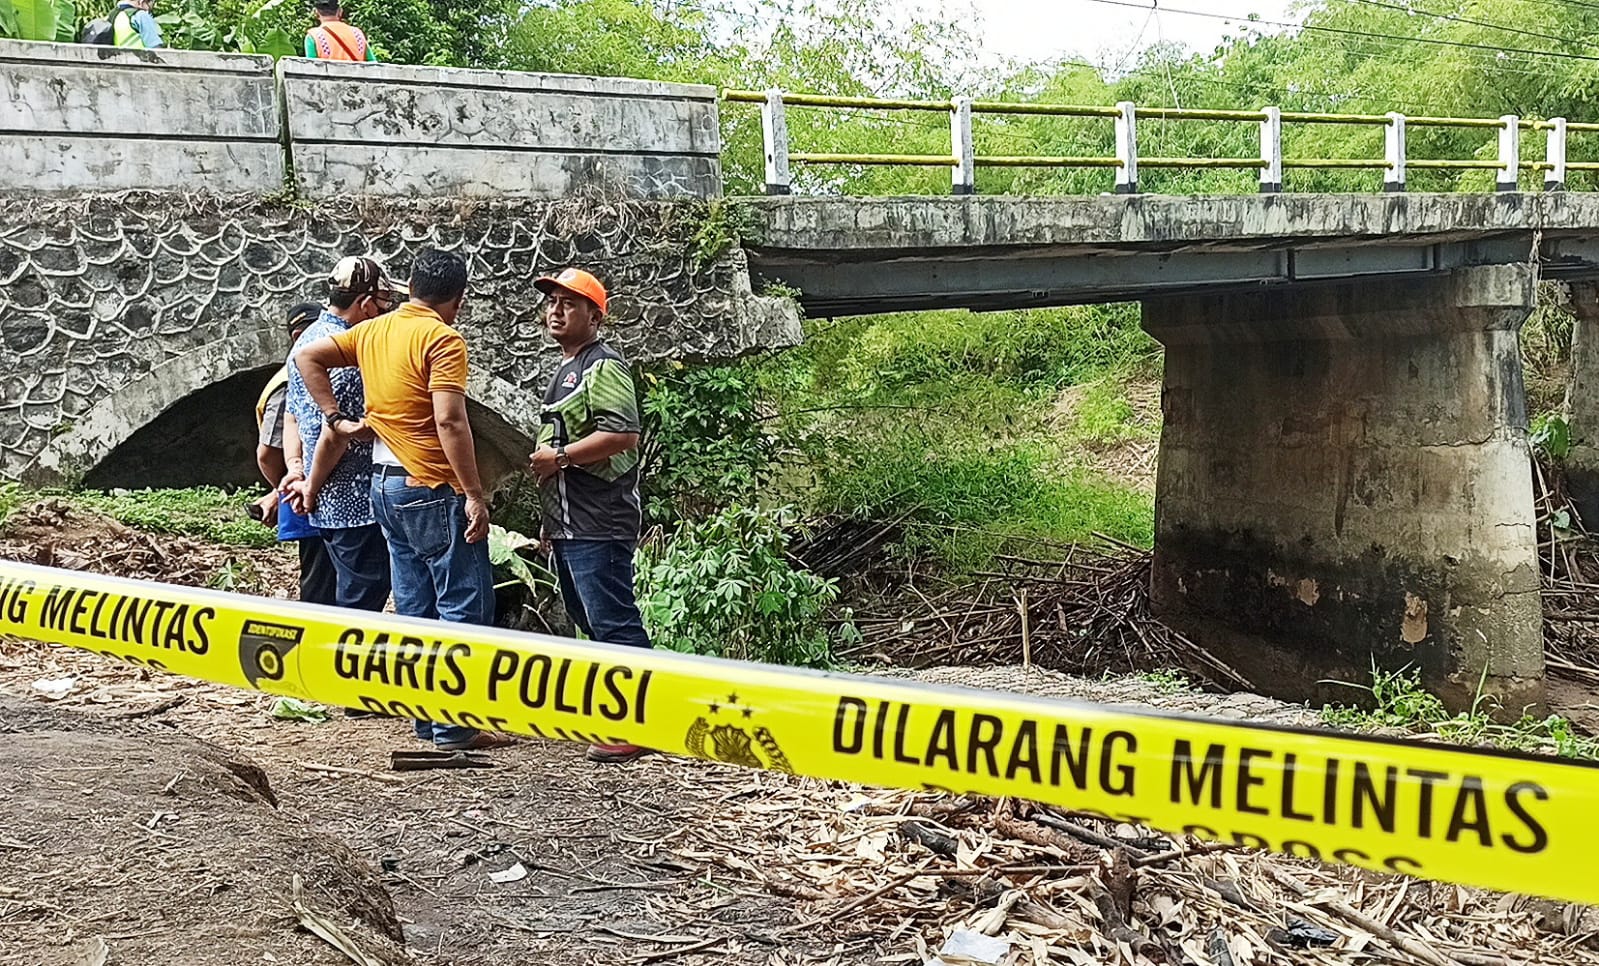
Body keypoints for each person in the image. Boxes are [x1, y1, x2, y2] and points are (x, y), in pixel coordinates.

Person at [294, 248, 510, 753]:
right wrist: (474, 494)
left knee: (413, 606)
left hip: (383, 484)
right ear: (456, 299)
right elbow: (450, 421)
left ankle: (424, 719)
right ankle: (454, 727)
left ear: (409, 286)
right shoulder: (442, 338)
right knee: (462, 603)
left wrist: (334, 418)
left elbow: (309, 356)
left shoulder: (374, 330)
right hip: (431, 487)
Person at [527, 268, 652, 764]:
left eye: (569, 304)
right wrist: (549, 518)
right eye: (552, 302)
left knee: (613, 619)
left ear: (595, 317)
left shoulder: (605, 366)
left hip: (601, 518)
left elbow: (622, 436)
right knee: (586, 618)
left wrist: (558, 460)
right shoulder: (566, 368)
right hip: (569, 522)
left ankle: (641, 720)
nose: (556, 310)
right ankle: (612, 714)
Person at [282, 257, 397, 615]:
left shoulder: (309, 339)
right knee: (360, 602)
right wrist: (311, 485)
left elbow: (296, 416)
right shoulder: (345, 351)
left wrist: (299, 473)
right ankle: (339, 668)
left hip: (326, 501)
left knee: (331, 599)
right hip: (352, 502)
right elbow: (335, 433)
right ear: (365, 304)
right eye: (382, 303)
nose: (384, 312)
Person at [253, 302, 339, 607]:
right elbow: (266, 453)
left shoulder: (317, 372)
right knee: (320, 578)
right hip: (311, 495)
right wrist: (285, 488)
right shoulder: (289, 382)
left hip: (319, 491)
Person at [305, 1, 377, 62]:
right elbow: (373, 64)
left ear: (316, 13)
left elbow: (312, 67)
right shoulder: (357, 34)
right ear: (340, 11)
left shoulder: (313, 36)